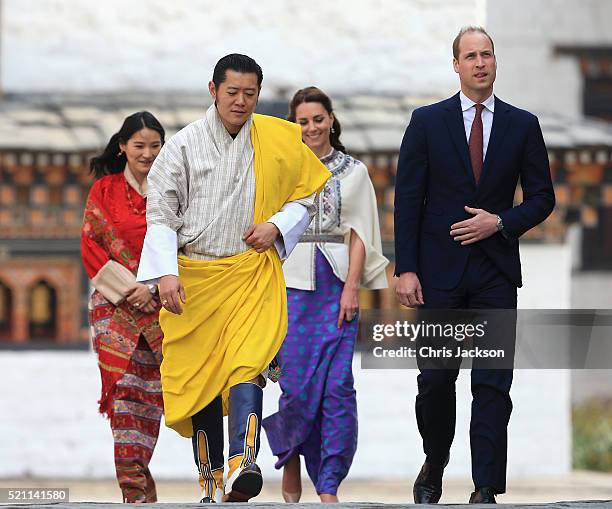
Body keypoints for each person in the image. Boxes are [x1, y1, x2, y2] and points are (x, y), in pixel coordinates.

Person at [136, 54, 331, 503]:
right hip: (195, 276)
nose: (241, 102)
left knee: (248, 364)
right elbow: (161, 215)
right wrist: (166, 274)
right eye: (232, 92)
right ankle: (210, 479)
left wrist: (277, 225)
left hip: (249, 270)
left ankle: (245, 461)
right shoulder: (182, 147)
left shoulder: (276, 138)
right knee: (202, 378)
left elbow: (304, 195)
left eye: (250, 93)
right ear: (213, 90)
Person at [394, 26, 555, 504]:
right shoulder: (427, 121)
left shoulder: (523, 124)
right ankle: (435, 459)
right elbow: (407, 199)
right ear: (456, 65)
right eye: (471, 56)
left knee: (492, 384)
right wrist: (407, 269)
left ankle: (485, 486)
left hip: (495, 275)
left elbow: (543, 198)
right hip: (438, 275)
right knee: (436, 380)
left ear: (495, 62)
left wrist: (500, 222)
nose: (480, 62)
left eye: (487, 54)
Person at [262, 87, 388, 503]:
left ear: (331, 119)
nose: (312, 127)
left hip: (336, 287)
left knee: (337, 388)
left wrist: (352, 288)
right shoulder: (282, 168)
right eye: (303, 121)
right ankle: (292, 456)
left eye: (318, 118)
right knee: (296, 388)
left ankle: (329, 481)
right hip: (289, 286)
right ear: (293, 125)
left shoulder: (354, 171)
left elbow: (359, 234)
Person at [81, 111, 165, 503]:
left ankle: (143, 484)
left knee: (152, 397)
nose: (147, 153)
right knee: (125, 395)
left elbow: (184, 245)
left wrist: (152, 289)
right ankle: (133, 490)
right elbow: (91, 246)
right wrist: (132, 289)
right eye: (139, 145)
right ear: (122, 147)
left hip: (162, 307)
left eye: (155, 145)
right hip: (114, 307)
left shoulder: (172, 188)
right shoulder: (104, 190)